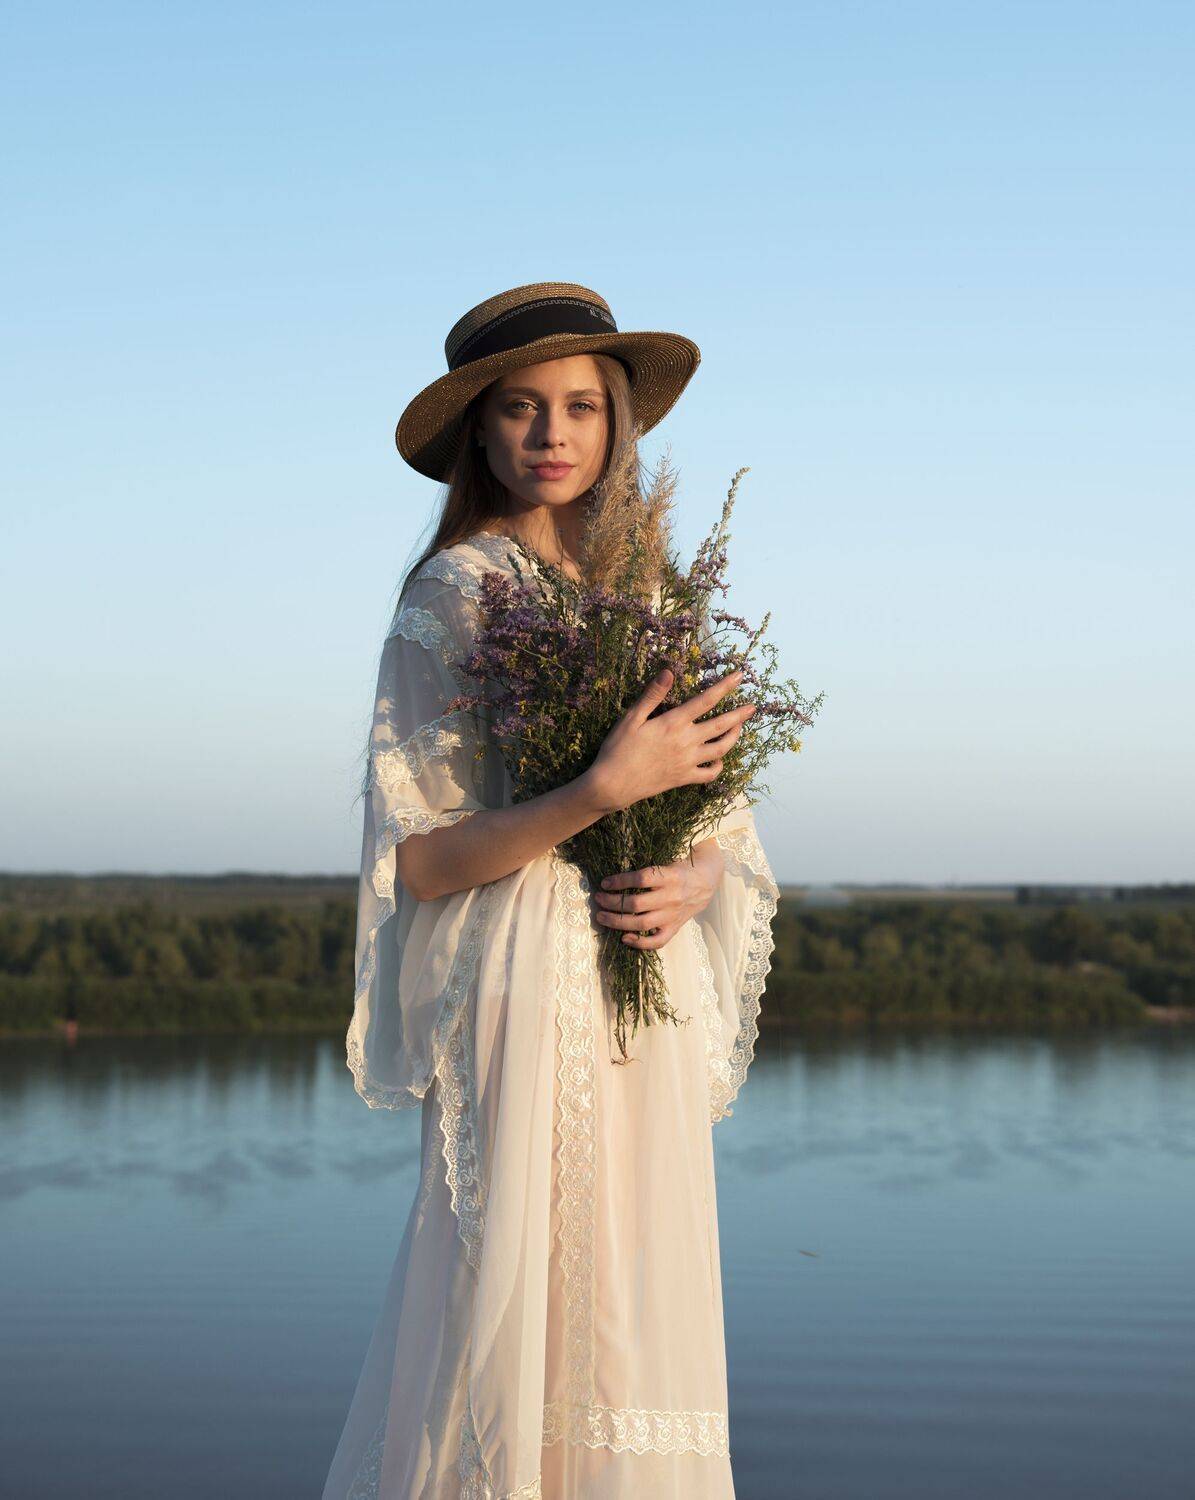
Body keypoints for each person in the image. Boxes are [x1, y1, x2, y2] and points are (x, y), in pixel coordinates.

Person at [321, 281, 781, 1500]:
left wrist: (693, 878)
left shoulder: (649, 593)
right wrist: (596, 791)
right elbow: (420, 859)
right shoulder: (454, 594)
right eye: (520, 407)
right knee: (515, 1291)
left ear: (618, 422)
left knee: (634, 1302)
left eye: (580, 405)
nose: (551, 432)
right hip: (524, 984)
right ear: (478, 430)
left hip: (643, 979)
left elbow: (721, 822)